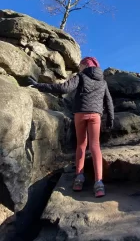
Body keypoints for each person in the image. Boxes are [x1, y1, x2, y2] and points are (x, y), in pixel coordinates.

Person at [28, 57, 114, 197]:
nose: (79, 68)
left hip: (80, 114)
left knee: (81, 144)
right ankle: (99, 184)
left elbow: (64, 88)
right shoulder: (103, 82)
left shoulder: (81, 76)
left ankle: (79, 178)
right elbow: (109, 101)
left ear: (85, 65)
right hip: (95, 115)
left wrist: (38, 85)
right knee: (95, 146)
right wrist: (111, 118)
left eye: (80, 65)